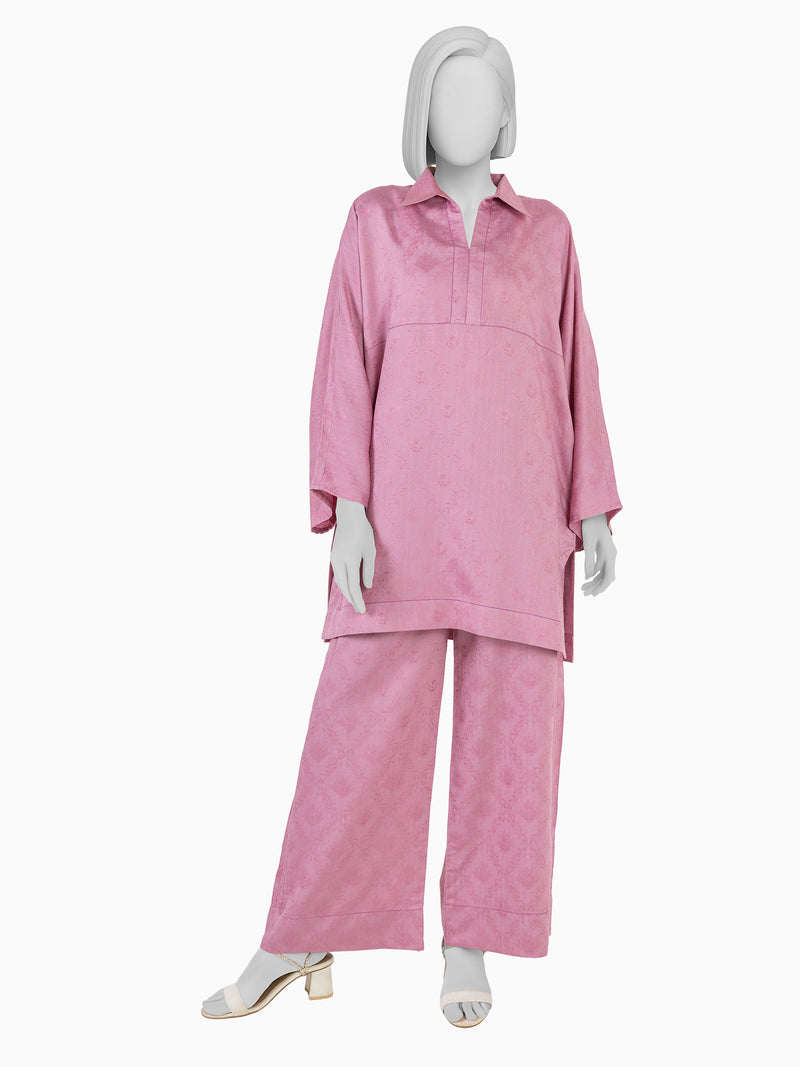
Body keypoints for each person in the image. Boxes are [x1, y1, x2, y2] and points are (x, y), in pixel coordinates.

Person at [202, 24, 622, 1030]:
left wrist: (593, 507)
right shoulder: (375, 222)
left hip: (520, 519)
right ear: (418, 111)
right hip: (397, 522)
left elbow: (576, 369)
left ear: (508, 114)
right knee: (356, 726)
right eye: (446, 94)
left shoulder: (549, 232)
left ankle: (469, 938)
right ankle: (299, 931)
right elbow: (342, 365)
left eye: (483, 96)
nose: (464, 114)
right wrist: (346, 506)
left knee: (513, 731)